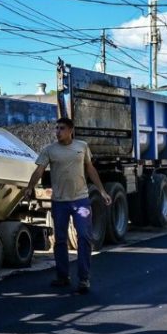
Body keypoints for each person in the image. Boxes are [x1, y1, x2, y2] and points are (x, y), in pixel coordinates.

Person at [23, 117, 110, 294]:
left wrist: (102, 191)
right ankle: (63, 276)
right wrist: (29, 187)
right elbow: (39, 170)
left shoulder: (82, 146)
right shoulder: (49, 150)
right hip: (60, 202)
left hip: (81, 200)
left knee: (84, 237)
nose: (57, 131)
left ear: (71, 130)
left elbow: (90, 169)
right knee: (60, 240)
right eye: (56, 128)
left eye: (61, 128)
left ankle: (84, 278)